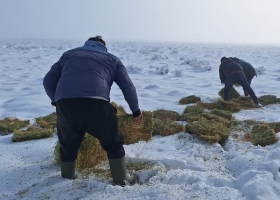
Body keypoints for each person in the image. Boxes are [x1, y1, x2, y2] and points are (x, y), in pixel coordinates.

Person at [43, 36, 143, 186]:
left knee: (68, 143)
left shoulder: (69, 55)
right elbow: (128, 86)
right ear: (103, 46)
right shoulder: (113, 59)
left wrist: (57, 101)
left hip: (66, 104)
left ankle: (67, 177)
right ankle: (121, 179)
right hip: (97, 104)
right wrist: (136, 111)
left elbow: (48, 81)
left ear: (86, 44)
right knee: (113, 141)